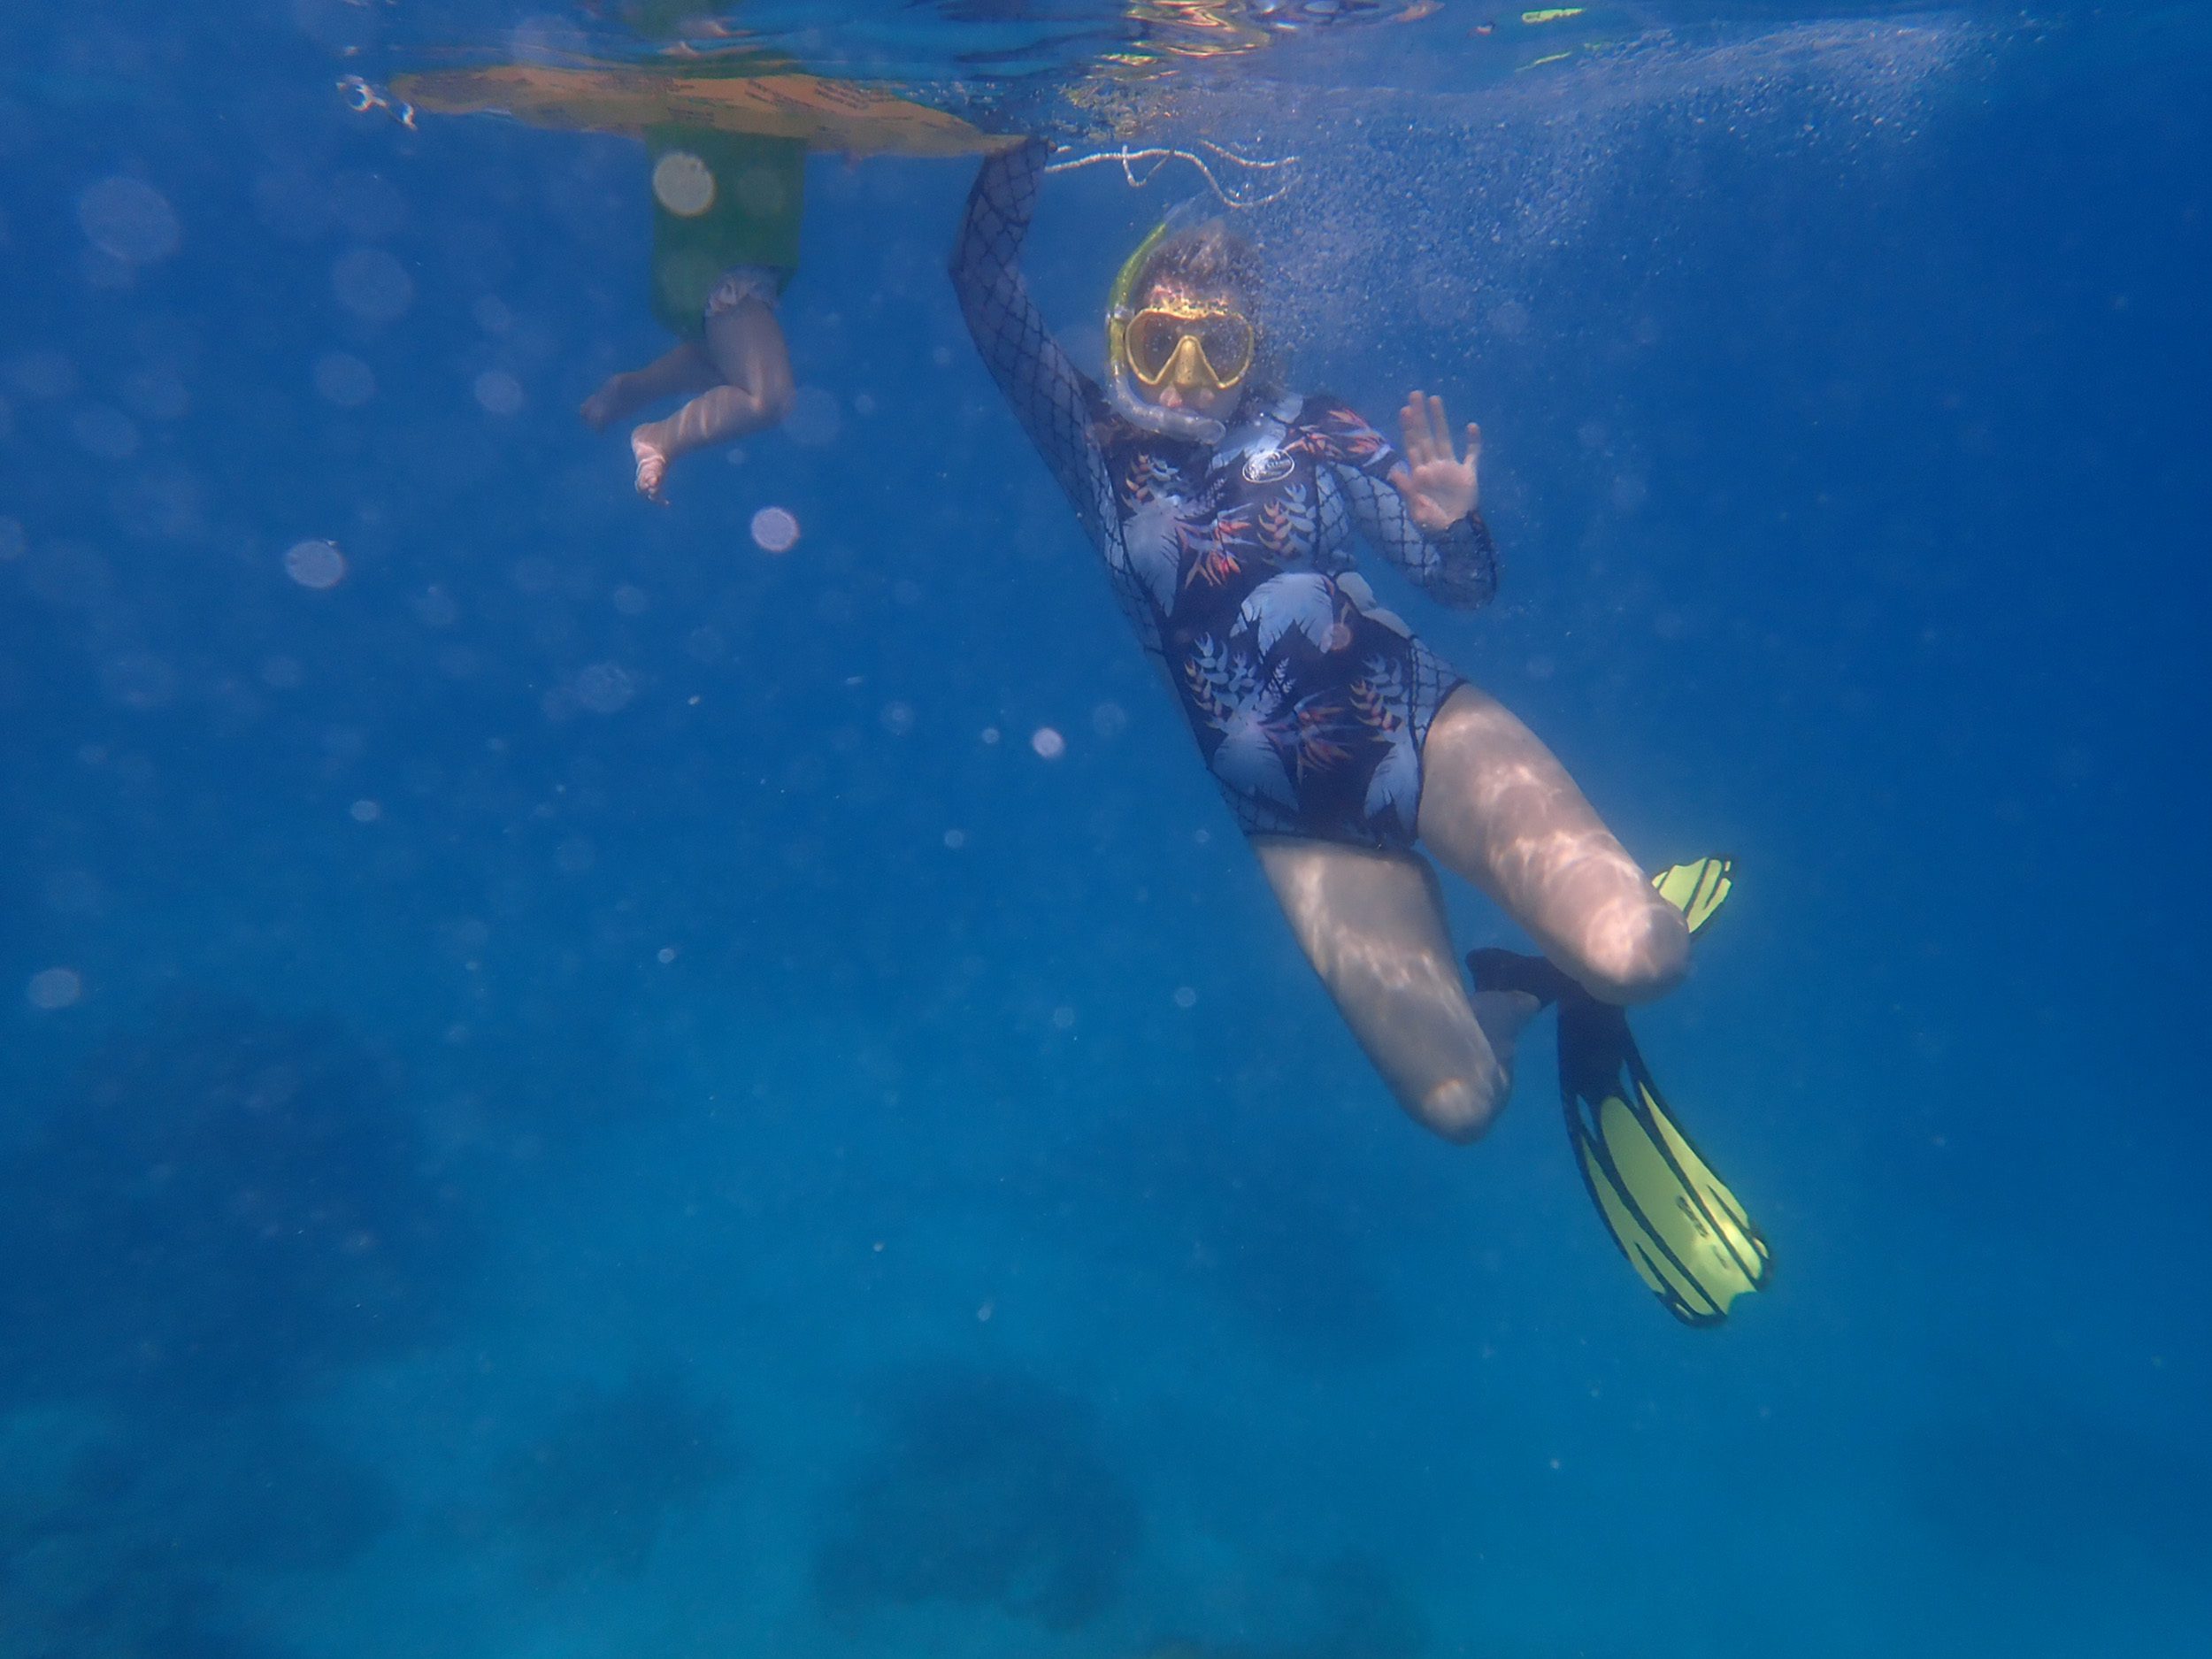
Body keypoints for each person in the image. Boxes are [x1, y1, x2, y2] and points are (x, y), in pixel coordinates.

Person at [951, 142, 1767, 1320]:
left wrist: (1454, 524)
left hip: (1425, 727)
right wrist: (1025, 112)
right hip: (1295, 823)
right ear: (1121, 332)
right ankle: (1527, 983)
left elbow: (1466, 585)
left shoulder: (1315, 426)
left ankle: (1589, 964)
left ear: (1256, 350)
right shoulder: (1089, 441)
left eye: (1219, 346)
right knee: (1461, 1106)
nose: (1186, 374)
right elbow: (981, 282)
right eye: (1161, 340)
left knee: (1649, 955)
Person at [580, 126, 802, 500]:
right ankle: (658, 439)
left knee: (721, 364)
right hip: (729, 261)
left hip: (713, 257)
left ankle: (635, 389)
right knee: (769, 399)